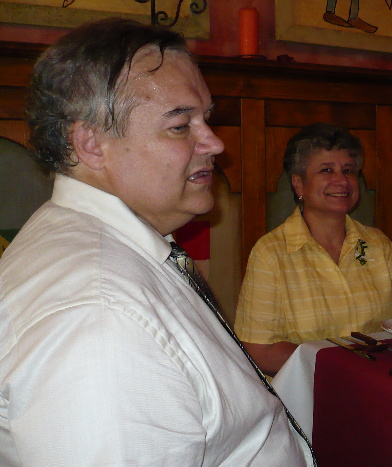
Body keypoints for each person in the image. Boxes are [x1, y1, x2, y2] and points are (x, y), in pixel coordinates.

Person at [0, 18, 314, 465]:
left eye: (206, 118)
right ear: (91, 144)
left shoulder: (104, 246)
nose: (215, 143)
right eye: (180, 125)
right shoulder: (99, 320)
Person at [234, 123, 392, 375]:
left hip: (378, 384)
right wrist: (342, 369)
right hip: (308, 392)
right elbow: (260, 350)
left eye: (348, 170)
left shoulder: (379, 245)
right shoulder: (270, 253)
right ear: (298, 184)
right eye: (326, 170)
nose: (342, 180)